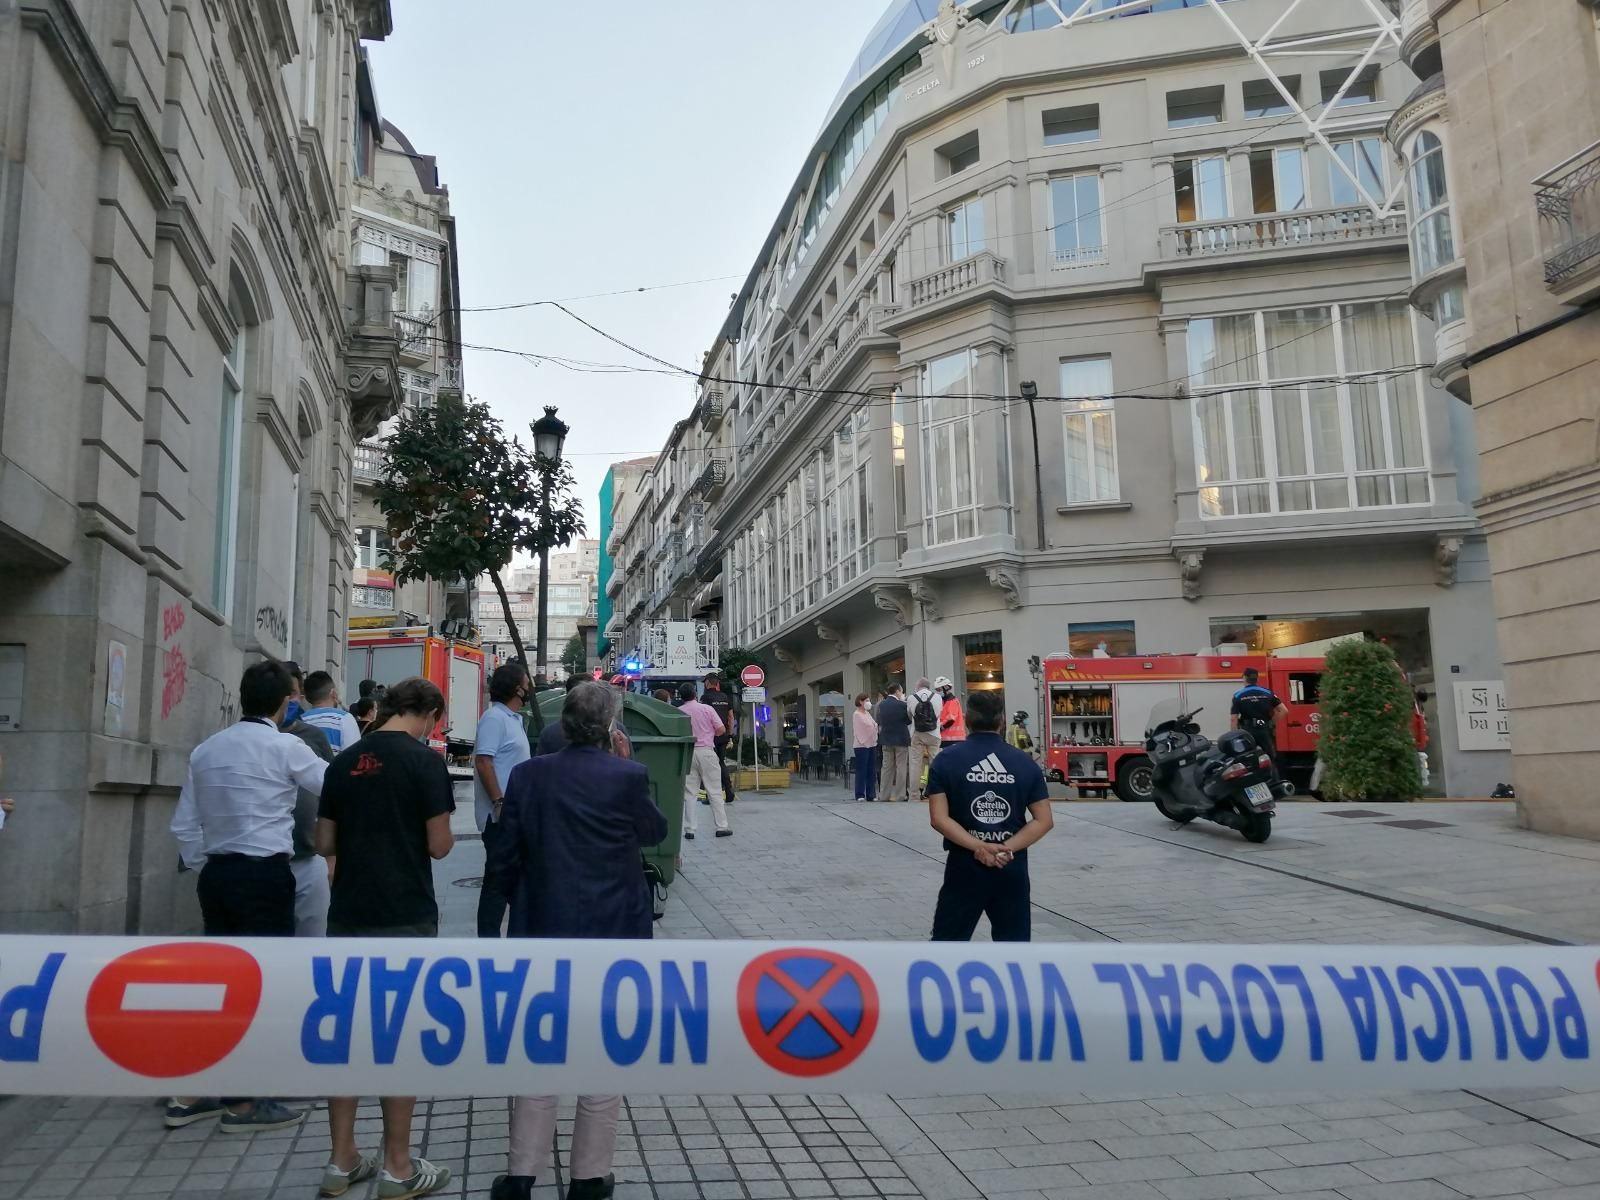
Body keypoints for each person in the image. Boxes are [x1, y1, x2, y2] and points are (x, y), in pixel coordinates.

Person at [484, 683, 667, 1200]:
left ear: (563, 724)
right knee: (601, 1051)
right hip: (612, 934)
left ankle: (522, 1172)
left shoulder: (527, 775)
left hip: (542, 927)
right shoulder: (627, 775)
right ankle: (588, 1176)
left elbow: (505, 855)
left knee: (540, 1046)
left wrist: (489, 926)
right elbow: (655, 831)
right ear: (610, 727)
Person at [167, 660, 327, 1133]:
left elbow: (184, 825)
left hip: (217, 877)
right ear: (286, 702)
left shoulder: (206, 750)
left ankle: (192, 1089)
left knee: (219, 982)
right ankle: (243, 1102)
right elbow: (333, 787)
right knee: (263, 984)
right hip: (265, 876)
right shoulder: (285, 747)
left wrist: (211, 864)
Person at [316, 676, 455, 1200]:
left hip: (348, 913)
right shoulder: (425, 763)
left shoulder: (342, 761)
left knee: (346, 1038)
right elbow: (440, 847)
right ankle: (398, 1166)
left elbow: (322, 839)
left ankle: (340, 1160)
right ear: (431, 716)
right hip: (405, 914)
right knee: (396, 1038)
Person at [925, 690, 1054, 943]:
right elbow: (1044, 820)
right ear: (1001, 721)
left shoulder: (946, 761)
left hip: (964, 866)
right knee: (1013, 949)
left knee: (947, 946)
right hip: (1010, 865)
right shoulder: (1024, 763)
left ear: (966, 719)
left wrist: (979, 847)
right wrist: (1005, 848)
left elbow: (938, 819)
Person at [474, 662, 532, 939]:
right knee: (497, 883)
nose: (529, 686)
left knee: (509, 880)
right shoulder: (494, 718)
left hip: (513, 817)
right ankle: (488, 941)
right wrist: (499, 801)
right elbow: (484, 761)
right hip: (500, 818)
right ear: (516, 688)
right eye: (526, 681)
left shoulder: (512, 719)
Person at [678, 681, 728, 840]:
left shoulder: (678, 712)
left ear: (681, 696)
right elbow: (721, 729)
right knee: (714, 791)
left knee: (689, 792)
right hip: (706, 751)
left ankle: (690, 829)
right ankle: (721, 826)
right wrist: (709, 733)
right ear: (695, 694)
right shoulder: (707, 709)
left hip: (688, 753)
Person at [1231, 667, 1287, 765]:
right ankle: (1272, 777)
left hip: (1247, 732)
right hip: (1264, 730)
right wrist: (1271, 722)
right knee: (1269, 758)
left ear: (1244, 678)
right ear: (1257, 679)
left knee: (1247, 759)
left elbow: (1233, 719)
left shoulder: (1238, 695)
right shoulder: (1267, 692)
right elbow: (1284, 710)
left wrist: (1235, 736)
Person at [299, 671, 362, 752]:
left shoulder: (301, 720)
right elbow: (353, 756)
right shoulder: (344, 719)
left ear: (307, 698)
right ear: (333, 693)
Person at [700, 673, 738, 807]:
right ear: (717, 683)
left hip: (709, 736)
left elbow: (703, 716)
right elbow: (731, 717)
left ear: (708, 683)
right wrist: (730, 735)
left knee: (710, 766)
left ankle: (711, 796)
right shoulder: (725, 697)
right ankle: (729, 791)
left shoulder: (705, 697)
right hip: (723, 736)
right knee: (721, 763)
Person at [875, 684, 913, 802]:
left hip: (886, 738)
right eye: (901, 691)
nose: (902, 693)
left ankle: (884, 795)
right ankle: (900, 795)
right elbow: (908, 720)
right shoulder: (903, 705)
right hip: (901, 738)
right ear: (897, 691)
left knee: (886, 767)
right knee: (901, 767)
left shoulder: (881, 705)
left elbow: (878, 719)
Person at [909, 677, 942, 796]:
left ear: (918, 686)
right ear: (928, 686)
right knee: (935, 762)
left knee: (915, 763)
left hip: (917, 733)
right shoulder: (937, 697)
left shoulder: (912, 697)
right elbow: (938, 714)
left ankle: (914, 793)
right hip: (934, 734)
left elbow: (909, 715)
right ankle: (935, 791)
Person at [851, 694, 878, 801]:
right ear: (860, 702)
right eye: (866, 700)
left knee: (871, 770)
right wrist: (873, 728)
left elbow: (874, 725)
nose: (868, 702)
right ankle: (860, 794)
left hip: (871, 744)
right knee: (861, 770)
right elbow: (861, 729)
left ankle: (871, 794)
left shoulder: (867, 713)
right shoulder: (857, 714)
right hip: (861, 745)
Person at [936, 676, 966, 748]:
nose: (938, 692)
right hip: (948, 738)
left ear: (945, 688)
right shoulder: (945, 702)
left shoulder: (952, 701)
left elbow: (950, 720)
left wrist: (939, 728)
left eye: (939, 689)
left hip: (953, 738)